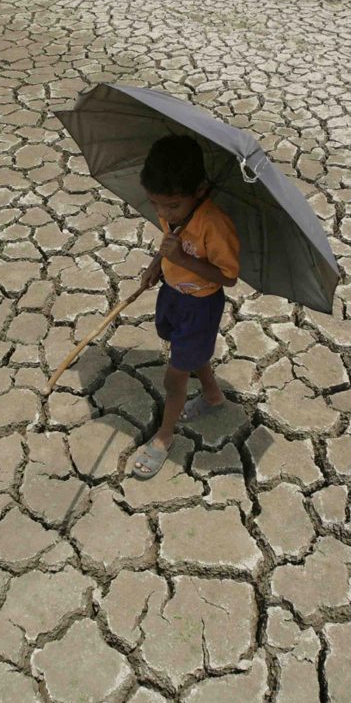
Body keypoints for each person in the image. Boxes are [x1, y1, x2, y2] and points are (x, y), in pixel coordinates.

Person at [131, 135, 240, 479]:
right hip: (173, 294)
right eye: (155, 204)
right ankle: (212, 395)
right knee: (188, 352)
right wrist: (155, 266)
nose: (163, 213)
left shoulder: (215, 225)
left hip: (201, 306)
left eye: (172, 206)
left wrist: (179, 258)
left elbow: (228, 277)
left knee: (174, 378)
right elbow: (168, 246)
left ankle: (165, 436)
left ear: (200, 190)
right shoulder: (174, 211)